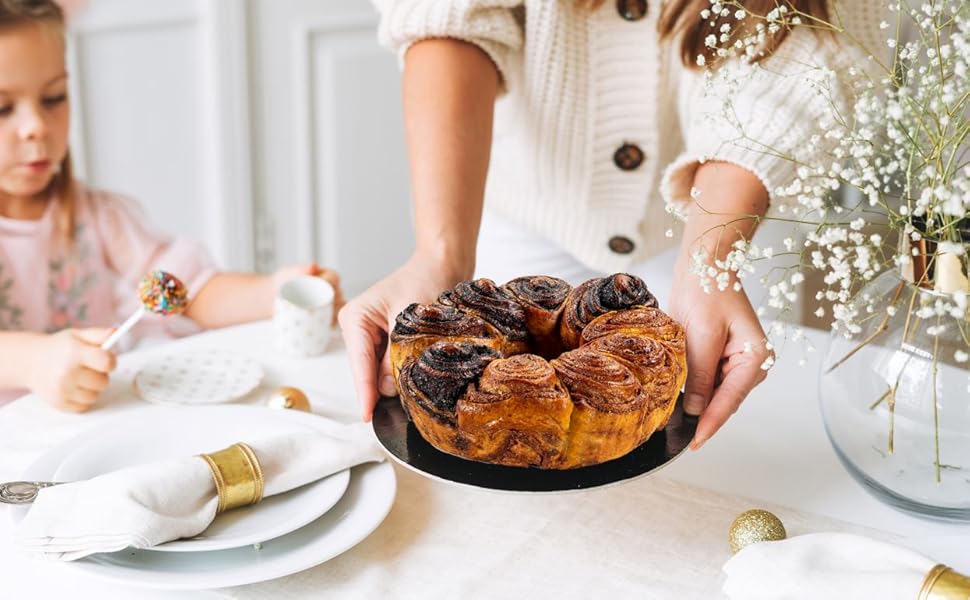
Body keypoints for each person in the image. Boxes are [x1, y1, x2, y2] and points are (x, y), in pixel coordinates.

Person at [340, 0, 882, 449]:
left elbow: (811, 42)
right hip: (523, 197)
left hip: (729, 207)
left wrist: (710, 259)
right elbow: (450, 15)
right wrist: (440, 253)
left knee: (742, 444)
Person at [0, 0, 343, 411]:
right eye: (2, 108)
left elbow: (189, 291)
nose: (36, 126)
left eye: (54, 97)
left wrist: (273, 293)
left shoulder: (99, 217)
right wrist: (31, 361)